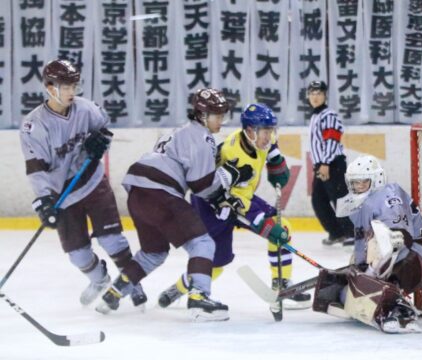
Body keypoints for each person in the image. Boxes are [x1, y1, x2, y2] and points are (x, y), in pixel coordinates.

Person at [95, 88, 253, 321]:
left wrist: (221, 191)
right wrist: (231, 175)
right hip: (161, 193)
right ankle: (199, 298)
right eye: (217, 115)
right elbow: (202, 186)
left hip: (137, 192)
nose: (221, 121)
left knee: (153, 252)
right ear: (202, 115)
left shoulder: (177, 133)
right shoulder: (202, 138)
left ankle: (115, 292)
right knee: (202, 243)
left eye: (223, 115)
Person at [157, 103, 311, 311]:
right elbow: (238, 206)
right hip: (213, 205)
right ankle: (180, 287)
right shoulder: (233, 153)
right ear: (250, 131)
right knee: (216, 264)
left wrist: (277, 167)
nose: (269, 136)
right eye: (265, 132)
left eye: (271, 131)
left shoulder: (264, 138)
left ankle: (281, 283)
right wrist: (265, 227)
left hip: (240, 196)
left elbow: (272, 151)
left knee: (282, 228)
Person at [18, 59, 147, 307]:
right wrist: (44, 200)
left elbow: (104, 130)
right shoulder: (35, 125)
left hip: (92, 181)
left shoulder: (86, 109)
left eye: (73, 86)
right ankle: (99, 280)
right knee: (78, 255)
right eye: (64, 87)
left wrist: (100, 144)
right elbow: (36, 169)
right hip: (62, 194)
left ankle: (132, 282)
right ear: (48, 87)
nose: (70, 92)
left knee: (112, 240)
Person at [312, 155, 422, 333]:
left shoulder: (388, 196)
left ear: (376, 179)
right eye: (354, 183)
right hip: (398, 256)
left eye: (363, 182)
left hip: (418, 254)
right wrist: (360, 270)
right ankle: (386, 300)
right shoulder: (364, 203)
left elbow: (398, 240)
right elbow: (364, 247)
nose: (357, 187)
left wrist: (372, 272)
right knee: (353, 284)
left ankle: (399, 309)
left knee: (378, 264)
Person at [306, 80, 354, 246]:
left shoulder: (329, 115)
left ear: (325, 96)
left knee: (340, 199)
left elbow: (332, 140)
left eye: (319, 93)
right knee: (318, 200)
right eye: (312, 93)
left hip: (332, 164)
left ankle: (352, 233)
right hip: (323, 165)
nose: (315, 96)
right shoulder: (316, 116)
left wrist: (325, 163)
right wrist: (320, 165)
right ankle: (336, 232)